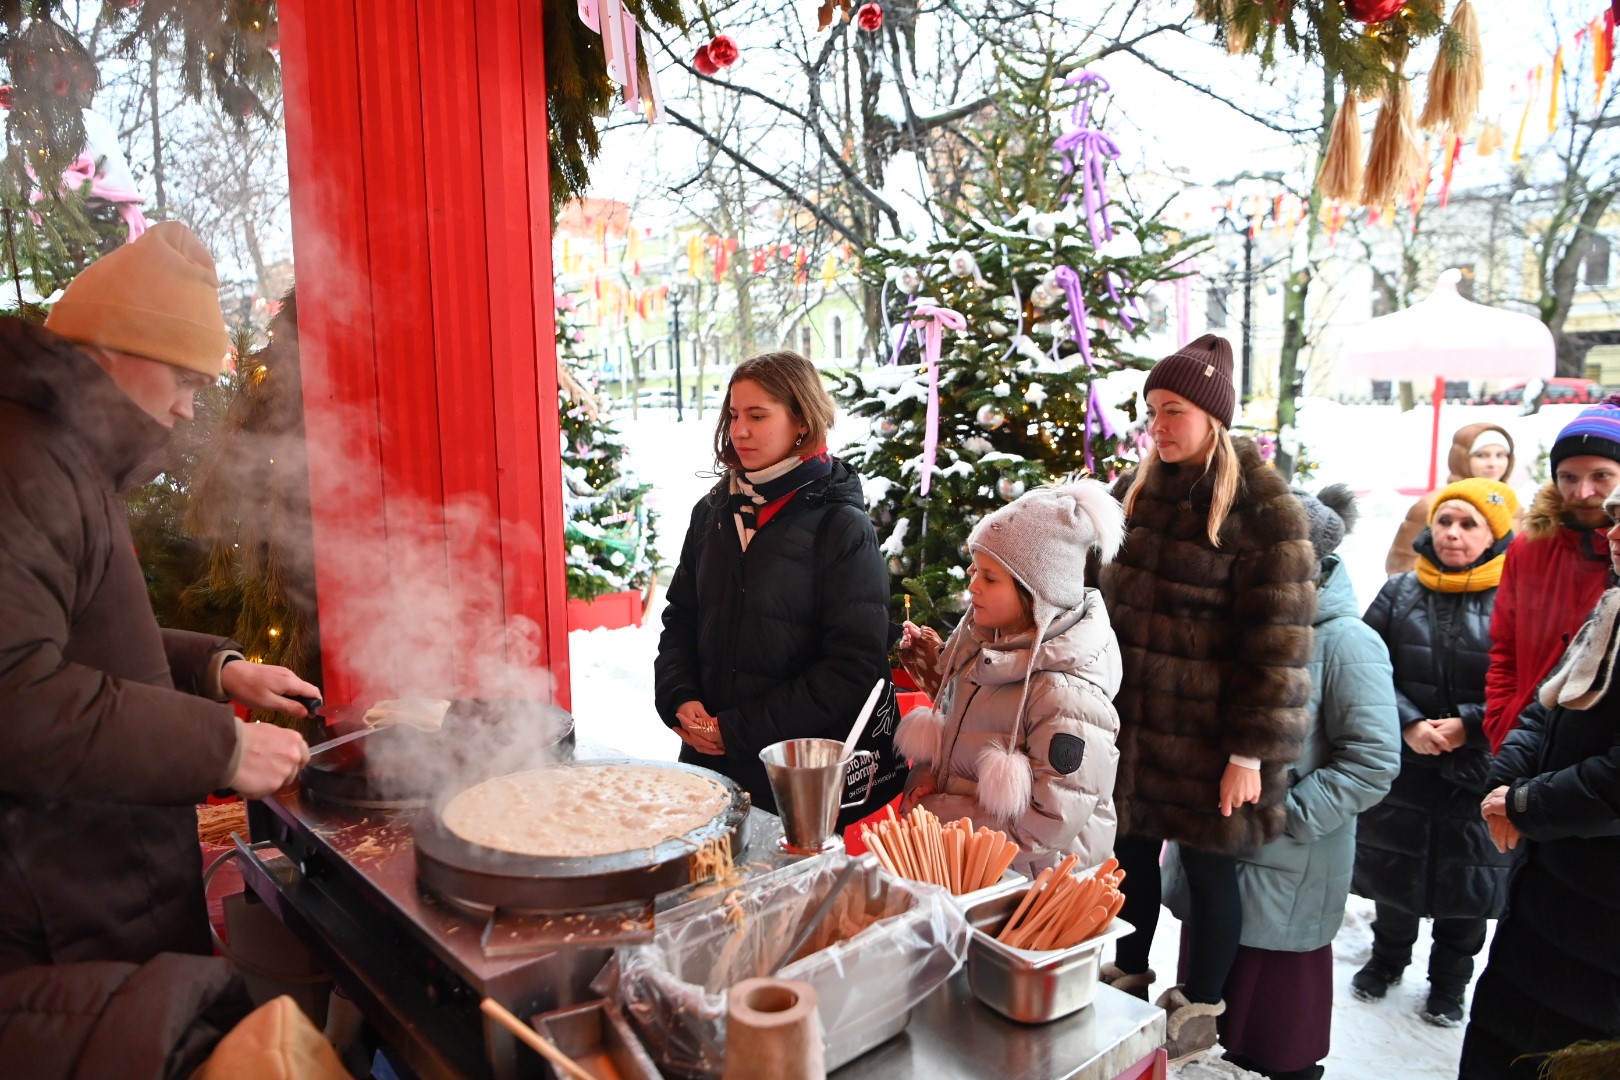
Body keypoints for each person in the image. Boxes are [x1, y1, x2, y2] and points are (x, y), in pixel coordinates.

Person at [0, 223, 317, 1070]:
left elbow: (93, 638)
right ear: (110, 354)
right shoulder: (25, 465)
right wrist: (224, 746)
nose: (187, 405)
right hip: (62, 904)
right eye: (181, 378)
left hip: (104, 872)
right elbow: (16, 698)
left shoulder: (59, 456)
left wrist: (221, 667)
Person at [1096, 334, 1317, 1060]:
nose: (1158, 425)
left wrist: (1248, 753)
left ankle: (1197, 1017)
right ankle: (1124, 981)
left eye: (1175, 410)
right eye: (1152, 409)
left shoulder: (1264, 508)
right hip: (1137, 726)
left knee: (1209, 865)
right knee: (1128, 855)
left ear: (1213, 417)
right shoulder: (1141, 492)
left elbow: (1276, 644)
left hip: (1214, 735)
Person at [1163, 484, 1400, 1080]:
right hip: (1214, 863)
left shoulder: (1347, 641)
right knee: (1200, 1035)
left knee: (1272, 1041)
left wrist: (1284, 812)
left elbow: (1371, 760)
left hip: (1285, 871)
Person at [654, 351, 904, 827]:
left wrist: (737, 730)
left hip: (792, 782)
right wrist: (679, 698)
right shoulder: (712, 512)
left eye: (757, 415)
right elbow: (680, 619)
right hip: (705, 769)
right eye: (733, 414)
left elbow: (852, 668)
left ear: (801, 422)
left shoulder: (841, 526)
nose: (739, 430)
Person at [1459, 487, 1620, 1079]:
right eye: (1617, 519)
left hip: (1604, 927)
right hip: (1549, 895)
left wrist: (1527, 803)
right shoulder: (1613, 609)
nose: (1615, 536)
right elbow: (1545, 709)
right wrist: (1504, 788)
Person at [1350, 478, 1520, 1028]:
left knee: (1468, 887)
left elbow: (1527, 683)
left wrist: (1470, 725)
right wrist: (1410, 723)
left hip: (1479, 770)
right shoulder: (1400, 592)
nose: (1451, 533)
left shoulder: (1516, 596)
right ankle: (1386, 960)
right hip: (1408, 766)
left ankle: (1449, 983)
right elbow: (1366, 668)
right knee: (1394, 878)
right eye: (1444, 521)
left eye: (1468, 524)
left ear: (1494, 534)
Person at [891, 481, 1124, 876]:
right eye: (974, 570)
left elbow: (1045, 824)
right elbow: (951, 729)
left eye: (990, 578)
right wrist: (924, 778)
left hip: (1033, 895)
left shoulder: (1067, 698)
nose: (972, 586)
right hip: (972, 867)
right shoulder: (980, 651)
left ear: (1037, 594)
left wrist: (935, 817)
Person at [1483, 401, 1620, 751]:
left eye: (1601, 476)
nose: (1582, 492)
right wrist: (1501, 724)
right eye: (1568, 477)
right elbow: (1505, 650)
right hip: (1522, 744)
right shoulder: (1529, 547)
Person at [1384, 423, 1519, 576]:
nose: (1493, 464)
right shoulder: (1433, 506)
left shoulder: (1515, 508)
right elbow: (1401, 568)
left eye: (1501, 455)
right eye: (1481, 455)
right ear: (1461, 458)